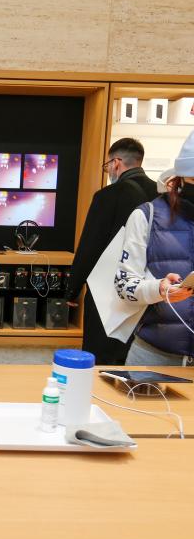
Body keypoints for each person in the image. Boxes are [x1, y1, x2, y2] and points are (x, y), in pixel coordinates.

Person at [66, 138, 156, 364]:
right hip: (149, 289)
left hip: (107, 290)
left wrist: (72, 289)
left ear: (116, 163)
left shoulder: (107, 196)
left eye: (107, 166)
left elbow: (90, 246)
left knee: (102, 353)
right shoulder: (162, 196)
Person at [114, 131, 194, 366]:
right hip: (154, 355)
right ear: (180, 177)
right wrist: (158, 289)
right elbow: (124, 284)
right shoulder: (147, 216)